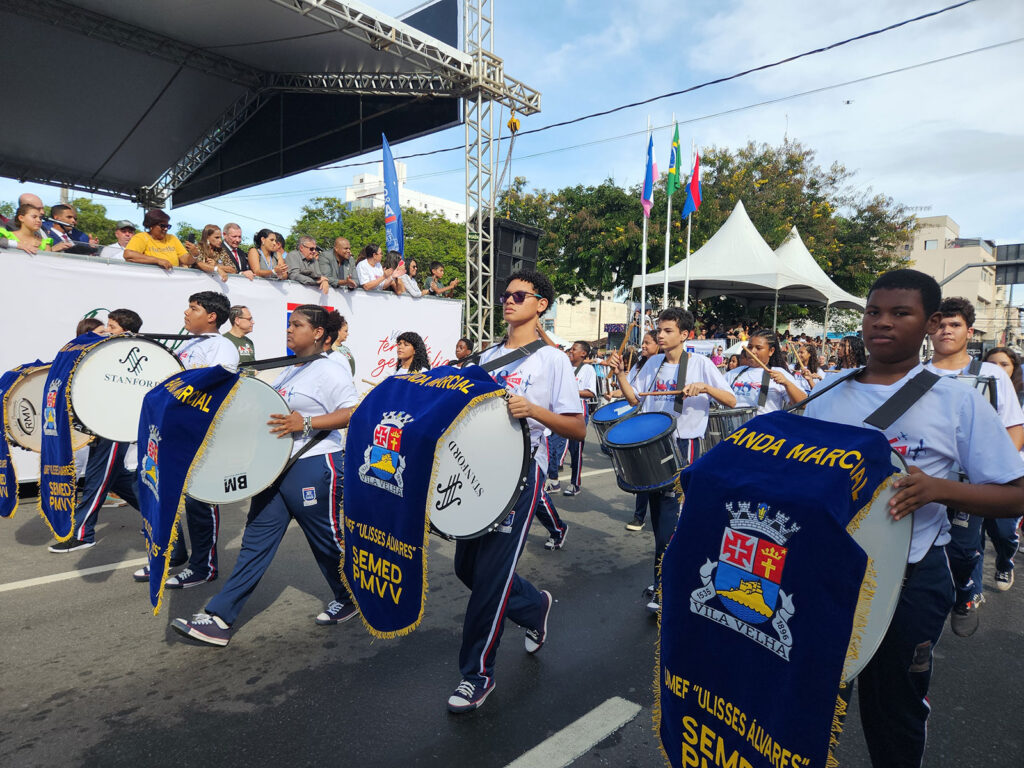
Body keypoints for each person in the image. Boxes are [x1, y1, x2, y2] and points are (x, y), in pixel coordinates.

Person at [802, 269, 1024, 768]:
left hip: (910, 579)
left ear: (929, 323)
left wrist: (939, 490)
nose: (882, 323)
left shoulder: (957, 400)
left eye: (900, 313)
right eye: (873, 312)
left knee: (894, 710)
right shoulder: (826, 392)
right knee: (811, 699)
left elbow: (1016, 495)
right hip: (826, 574)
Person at [171, 306, 361, 646]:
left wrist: (306, 423)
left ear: (318, 332)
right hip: (274, 468)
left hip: (313, 464)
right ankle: (219, 618)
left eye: (298, 325)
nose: (289, 330)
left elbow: (354, 412)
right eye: (289, 324)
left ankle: (353, 596)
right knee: (255, 542)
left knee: (327, 541)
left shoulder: (330, 369)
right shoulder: (290, 369)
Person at [446, 269, 585, 713]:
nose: (508, 300)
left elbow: (577, 428)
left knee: (491, 578)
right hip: (476, 472)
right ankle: (533, 607)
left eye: (519, 295)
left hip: (521, 475)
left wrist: (534, 410)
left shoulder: (552, 360)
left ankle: (477, 675)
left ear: (541, 304)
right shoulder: (485, 356)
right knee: (467, 569)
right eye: (505, 294)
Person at [608, 307, 737, 614]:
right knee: (659, 520)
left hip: (684, 446)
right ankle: (668, 578)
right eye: (659, 330)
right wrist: (621, 374)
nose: (661, 335)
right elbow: (634, 399)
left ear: (685, 335)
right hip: (655, 443)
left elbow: (731, 400)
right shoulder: (653, 363)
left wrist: (705, 387)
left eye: (667, 331)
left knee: (670, 520)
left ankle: (666, 585)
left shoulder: (701, 364)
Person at [924, 297, 1024, 631]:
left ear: (969, 331)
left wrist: (995, 474)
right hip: (925, 482)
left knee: (963, 551)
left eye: (954, 325)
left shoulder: (991, 375)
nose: (946, 331)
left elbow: (1014, 427)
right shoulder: (917, 375)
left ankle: (965, 592)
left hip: (972, 485)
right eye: (940, 324)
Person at [133, 292, 238, 589]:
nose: (186, 313)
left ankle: (203, 567)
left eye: (193, 308)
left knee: (199, 501)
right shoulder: (188, 344)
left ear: (212, 316)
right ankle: (170, 553)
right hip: (172, 433)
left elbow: (216, 387)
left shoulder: (221, 347)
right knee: (158, 491)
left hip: (199, 436)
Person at [49, 309, 163, 554]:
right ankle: (158, 519)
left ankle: (82, 534)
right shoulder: (110, 353)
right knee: (119, 479)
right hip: (102, 424)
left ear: (126, 331)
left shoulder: (131, 353)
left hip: (114, 427)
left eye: (111, 327)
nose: (107, 331)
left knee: (97, 479)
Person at [982, 345, 1023, 594]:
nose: (996, 370)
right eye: (991, 364)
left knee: (1004, 531)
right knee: (968, 540)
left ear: (1014, 369)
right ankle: (970, 592)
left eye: (1004, 365)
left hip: (1012, 477)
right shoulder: (974, 392)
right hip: (974, 475)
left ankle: (1005, 562)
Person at [545, 341, 597, 497]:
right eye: (570, 349)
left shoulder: (588, 369)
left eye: (574, 349)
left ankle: (575, 484)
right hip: (561, 410)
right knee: (551, 445)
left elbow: (591, 393)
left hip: (578, 410)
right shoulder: (565, 368)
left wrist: (571, 390)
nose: (570, 351)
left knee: (575, 450)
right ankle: (554, 480)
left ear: (583, 353)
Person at [724, 330, 806, 413]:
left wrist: (787, 383)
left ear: (771, 351)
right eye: (750, 347)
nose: (752, 351)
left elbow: (803, 404)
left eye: (758, 348)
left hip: (766, 421)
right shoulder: (734, 373)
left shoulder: (779, 372)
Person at [123, 209, 197, 271]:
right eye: (162, 226)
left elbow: (185, 260)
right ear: (151, 225)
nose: (166, 229)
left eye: (168, 226)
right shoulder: (141, 237)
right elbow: (128, 255)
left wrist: (194, 255)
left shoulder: (172, 238)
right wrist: (157, 260)